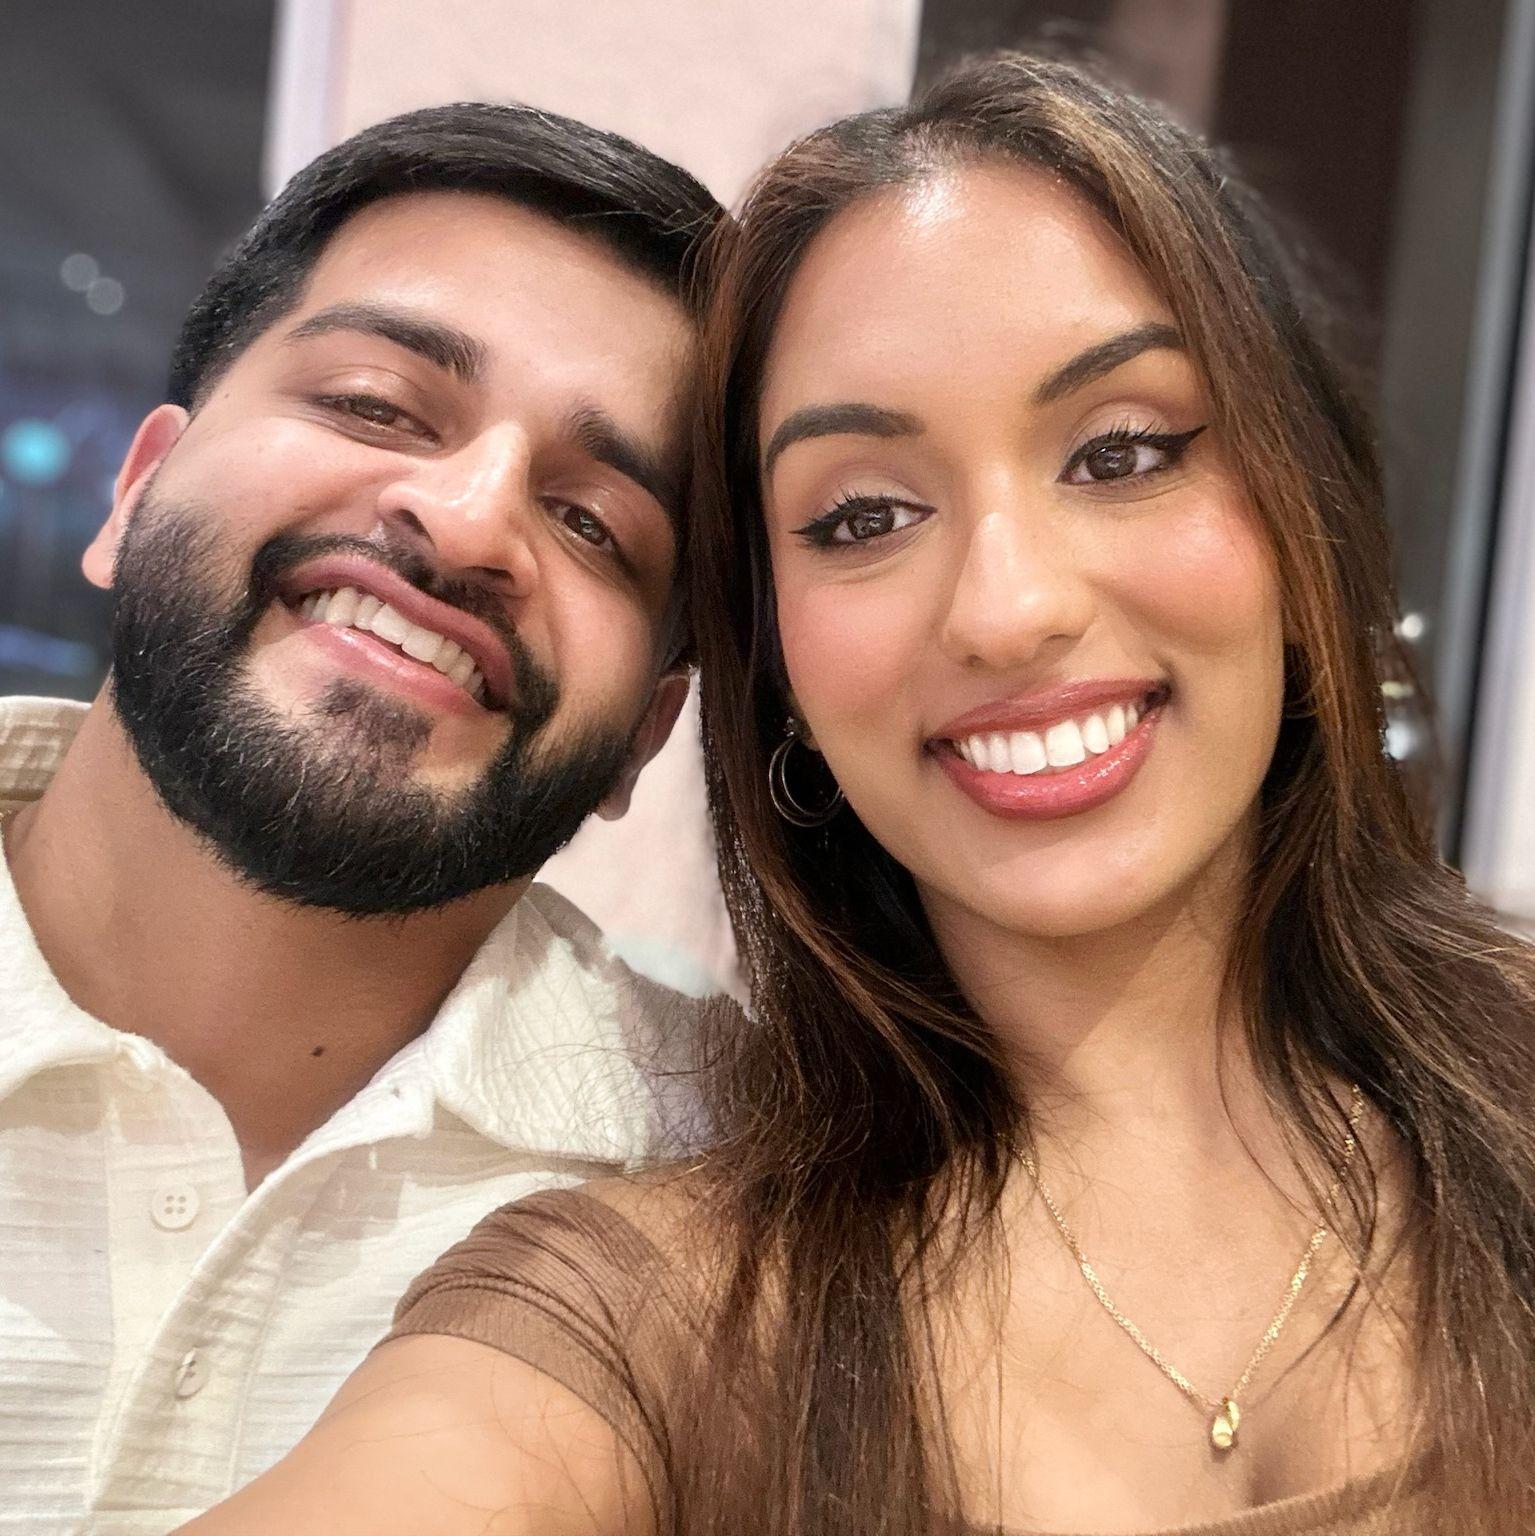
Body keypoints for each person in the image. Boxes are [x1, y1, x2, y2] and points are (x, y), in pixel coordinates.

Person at [177, 54, 1535, 1536]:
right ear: (776, 676)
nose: (1008, 610)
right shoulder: (655, 1313)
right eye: (863, 515)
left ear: (1301, 521)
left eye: (1122, 453)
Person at [0, 100, 723, 1531]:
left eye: (595, 524)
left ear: (646, 732)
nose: (468, 521)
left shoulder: (747, 1194)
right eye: (375, 405)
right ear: (136, 492)